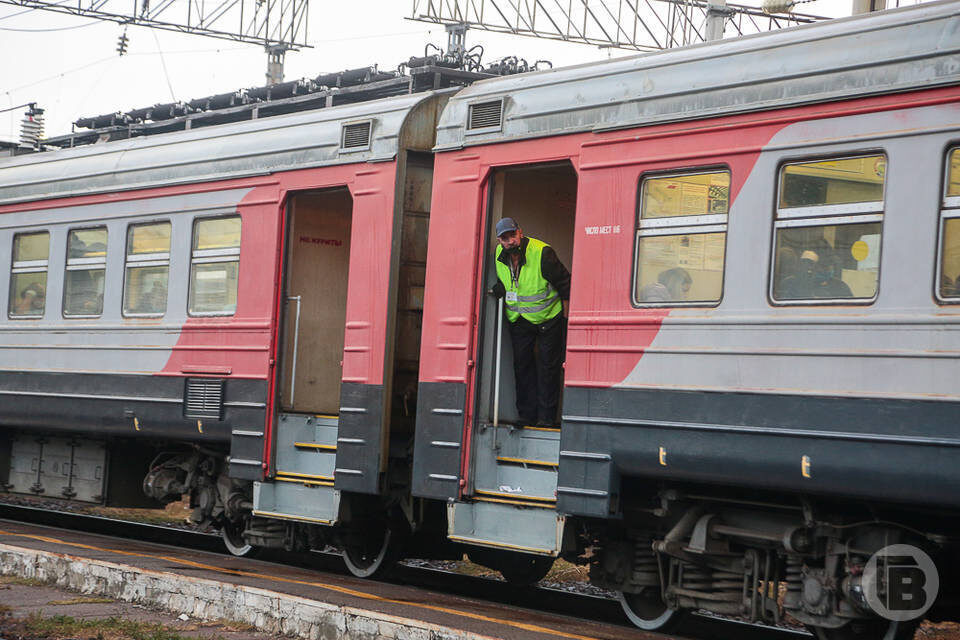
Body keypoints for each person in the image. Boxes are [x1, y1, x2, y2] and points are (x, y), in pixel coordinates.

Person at [491, 217, 570, 428]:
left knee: (548, 368)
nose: (509, 242)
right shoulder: (499, 255)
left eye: (512, 236)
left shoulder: (543, 253)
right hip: (519, 319)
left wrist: (566, 319)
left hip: (549, 318)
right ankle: (526, 416)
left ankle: (546, 419)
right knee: (522, 367)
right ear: (499, 241)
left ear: (520, 233)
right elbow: (510, 281)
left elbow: (566, 284)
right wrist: (501, 287)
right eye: (504, 238)